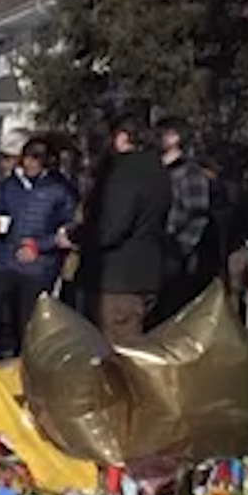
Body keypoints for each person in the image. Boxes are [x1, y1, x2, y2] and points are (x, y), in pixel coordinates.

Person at [0, 139, 77, 359]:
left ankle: (25, 364)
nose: (30, 163)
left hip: (38, 267)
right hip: (3, 258)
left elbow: (69, 230)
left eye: (36, 159)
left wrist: (39, 246)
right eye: (28, 157)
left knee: (28, 322)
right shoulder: (8, 186)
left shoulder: (61, 190)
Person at [81, 115, 171, 344]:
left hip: (116, 281)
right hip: (147, 276)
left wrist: (77, 235)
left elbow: (111, 227)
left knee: (116, 350)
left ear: (121, 138)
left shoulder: (123, 174)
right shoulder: (158, 171)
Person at [158, 121, 215, 319]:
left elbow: (198, 215)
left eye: (164, 133)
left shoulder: (191, 173)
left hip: (176, 255)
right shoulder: (156, 170)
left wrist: (180, 248)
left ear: (176, 138)